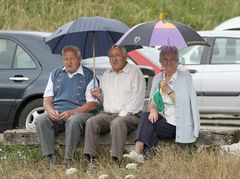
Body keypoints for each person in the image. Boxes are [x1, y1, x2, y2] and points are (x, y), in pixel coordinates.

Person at [124, 45, 200, 163]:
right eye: (165, 59)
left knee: (150, 127)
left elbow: (184, 104)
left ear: (177, 61)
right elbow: (153, 100)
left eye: (172, 59)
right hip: (163, 120)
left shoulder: (184, 78)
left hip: (177, 123)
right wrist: (153, 110)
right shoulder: (158, 78)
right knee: (146, 116)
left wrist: (168, 89)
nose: (168, 62)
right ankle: (141, 157)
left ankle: (139, 155)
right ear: (160, 62)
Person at [83, 45, 146, 169]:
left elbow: (137, 99)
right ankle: (91, 160)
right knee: (91, 122)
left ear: (125, 56)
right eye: (111, 56)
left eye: (117, 55)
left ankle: (116, 161)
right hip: (108, 114)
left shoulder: (135, 72)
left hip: (131, 115)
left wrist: (121, 115)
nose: (114, 59)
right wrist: (99, 95)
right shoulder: (106, 75)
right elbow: (106, 100)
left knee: (117, 123)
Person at [35, 45, 97, 165]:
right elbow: (47, 100)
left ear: (80, 59)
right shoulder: (55, 73)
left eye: (72, 59)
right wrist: (50, 110)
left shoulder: (89, 76)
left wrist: (72, 112)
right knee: (41, 120)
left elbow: (91, 105)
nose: (68, 62)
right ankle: (50, 158)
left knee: (73, 121)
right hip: (58, 114)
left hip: (80, 113)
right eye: (66, 59)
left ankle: (69, 159)